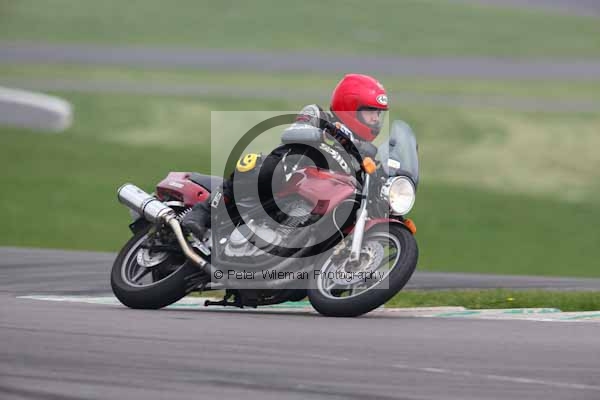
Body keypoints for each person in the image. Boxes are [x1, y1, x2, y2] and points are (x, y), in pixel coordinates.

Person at [182, 73, 389, 239]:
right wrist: (323, 134)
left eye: (379, 114)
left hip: (318, 205)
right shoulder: (319, 115)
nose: (375, 119)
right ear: (350, 108)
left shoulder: (366, 155)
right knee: (258, 164)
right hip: (290, 179)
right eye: (370, 111)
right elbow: (293, 133)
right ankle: (203, 211)